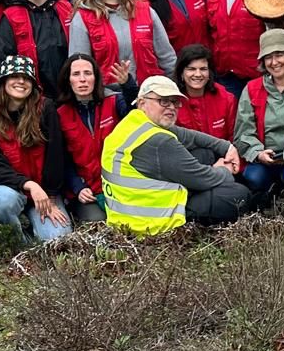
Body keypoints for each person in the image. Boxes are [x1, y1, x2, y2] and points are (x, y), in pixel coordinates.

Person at [102, 75, 250, 235]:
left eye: (175, 102)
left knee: (204, 153)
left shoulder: (132, 122)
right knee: (240, 194)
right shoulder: (159, 141)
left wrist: (226, 147)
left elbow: (188, 136)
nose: (171, 107)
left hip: (128, 213)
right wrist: (225, 169)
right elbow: (204, 179)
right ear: (142, 103)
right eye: (164, 101)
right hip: (152, 224)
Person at [0, 55, 72, 244]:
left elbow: (56, 156)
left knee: (57, 238)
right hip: (13, 189)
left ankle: (35, 231)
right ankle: (18, 240)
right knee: (3, 201)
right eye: (14, 76)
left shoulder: (45, 108)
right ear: (3, 82)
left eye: (27, 78)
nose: (21, 81)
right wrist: (29, 185)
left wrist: (51, 196)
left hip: (45, 192)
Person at [68, 0, 175, 91]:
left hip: (149, 93)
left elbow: (167, 59)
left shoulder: (145, 10)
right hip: (109, 96)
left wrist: (173, 89)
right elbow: (79, 68)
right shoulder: (82, 18)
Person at [234, 29, 284, 198]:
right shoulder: (252, 89)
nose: (274, 62)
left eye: (279, 55)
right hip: (264, 159)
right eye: (268, 57)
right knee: (255, 178)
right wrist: (258, 153)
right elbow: (243, 132)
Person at [56, 53, 119, 224]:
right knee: (99, 223)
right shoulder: (59, 114)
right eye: (76, 74)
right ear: (68, 80)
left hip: (117, 184)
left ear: (96, 77)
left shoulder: (114, 102)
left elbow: (137, 116)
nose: (82, 79)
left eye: (88, 73)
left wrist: (128, 85)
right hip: (86, 189)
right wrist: (78, 187)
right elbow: (62, 160)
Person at [175, 44, 237, 141]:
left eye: (203, 69)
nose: (198, 74)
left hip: (223, 150)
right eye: (191, 69)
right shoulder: (172, 101)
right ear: (181, 73)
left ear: (210, 73)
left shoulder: (226, 99)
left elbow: (234, 137)